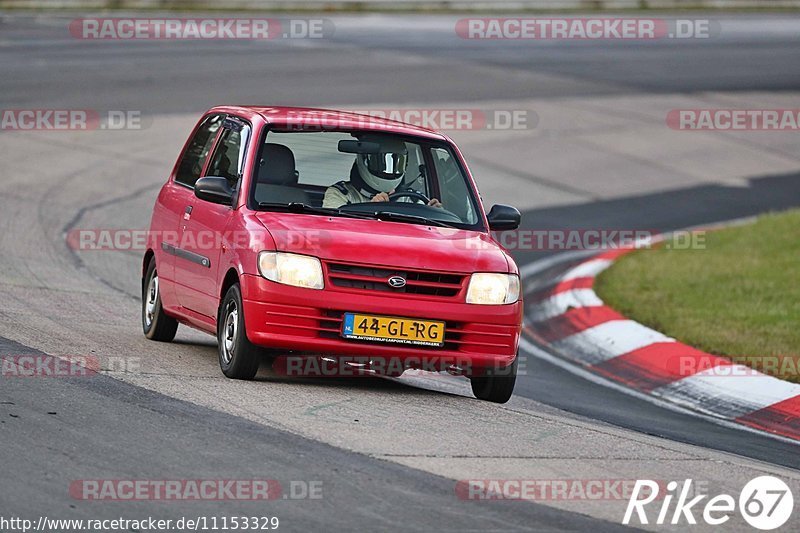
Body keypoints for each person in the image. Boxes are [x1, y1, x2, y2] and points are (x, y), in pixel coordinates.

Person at [323, 135, 442, 209]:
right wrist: (370, 210)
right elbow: (335, 232)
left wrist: (435, 213)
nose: (389, 170)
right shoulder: (340, 194)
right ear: (364, 160)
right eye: (382, 162)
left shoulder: (413, 199)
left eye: (396, 162)